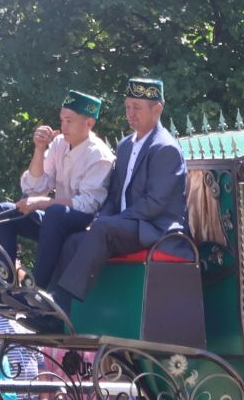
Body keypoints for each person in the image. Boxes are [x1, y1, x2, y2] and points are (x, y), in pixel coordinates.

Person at [52, 78, 188, 308]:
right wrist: (99, 219)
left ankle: (58, 303)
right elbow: (114, 195)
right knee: (75, 239)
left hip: (154, 228)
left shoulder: (165, 148)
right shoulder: (125, 145)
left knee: (103, 228)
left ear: (157, 109)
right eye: (127, 106)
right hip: (123, 226)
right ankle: (57, 313)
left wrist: (110, 221)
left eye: (137, 107)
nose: (130, 113)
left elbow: (155, 203)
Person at [0, 90, 115, 287]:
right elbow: (34, 189)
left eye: (69, 121)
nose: (63, 126)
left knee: (55, 212)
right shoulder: (58, 143)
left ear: (89, 123)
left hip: (85, 225)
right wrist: (39, 149)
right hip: (55, 221)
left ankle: (37, 289)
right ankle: (0, 286)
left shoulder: (100, 155)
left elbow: (88, 205)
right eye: (62, 120)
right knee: (3, 212)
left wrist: (43, 203)